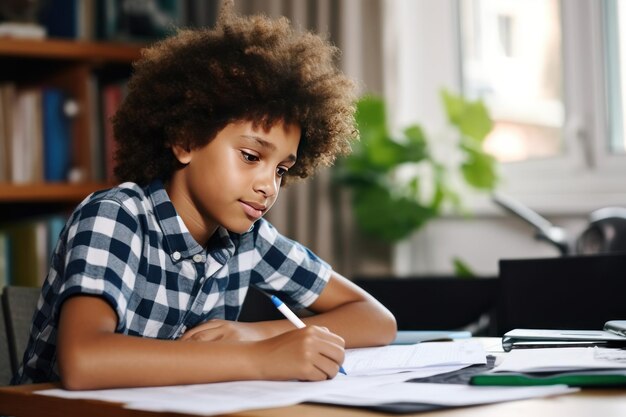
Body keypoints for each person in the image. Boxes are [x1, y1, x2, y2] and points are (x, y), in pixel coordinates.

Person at [12, 1, 396, 390]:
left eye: (281, 169)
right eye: (250, 156)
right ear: (186, 141)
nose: (268, 186)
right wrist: (261, 358)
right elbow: (84, 360)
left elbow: (376, 320)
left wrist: (255, 334)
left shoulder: (250, 239)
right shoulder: (115, 216)